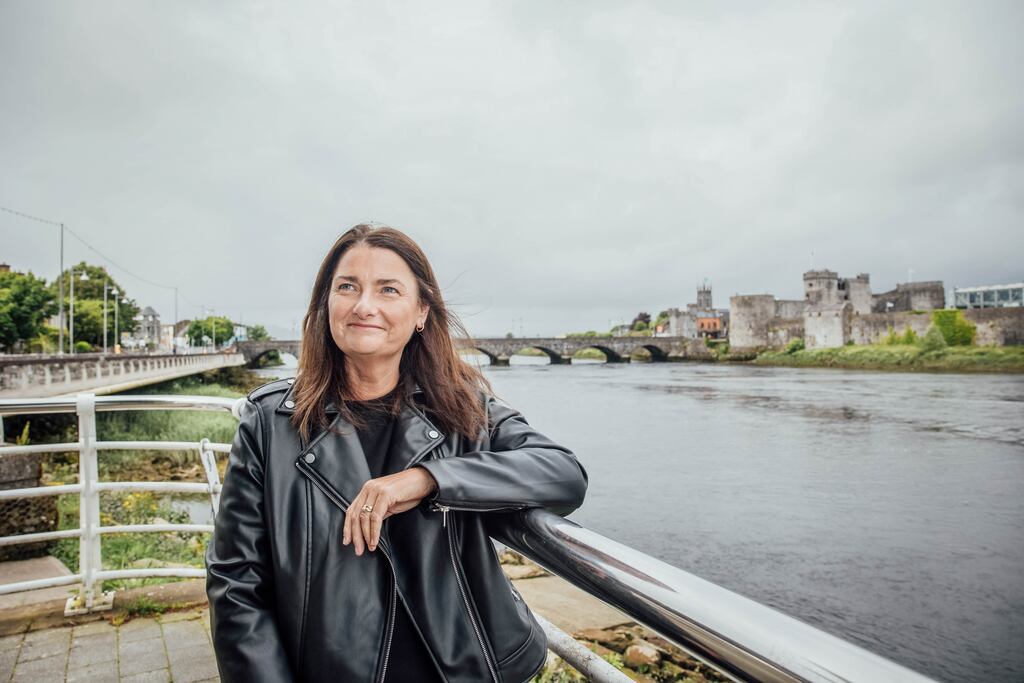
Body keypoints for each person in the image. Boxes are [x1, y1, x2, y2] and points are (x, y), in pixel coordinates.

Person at [206, 224, 588, 682]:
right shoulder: (270, 423)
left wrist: (431, 479)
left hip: (460, 667)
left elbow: (563, 473)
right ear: (326, 304)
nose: (364, 306)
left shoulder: (464, 407)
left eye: (388, 289)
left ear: (421, 311)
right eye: (347, 287)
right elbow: (237, 584)